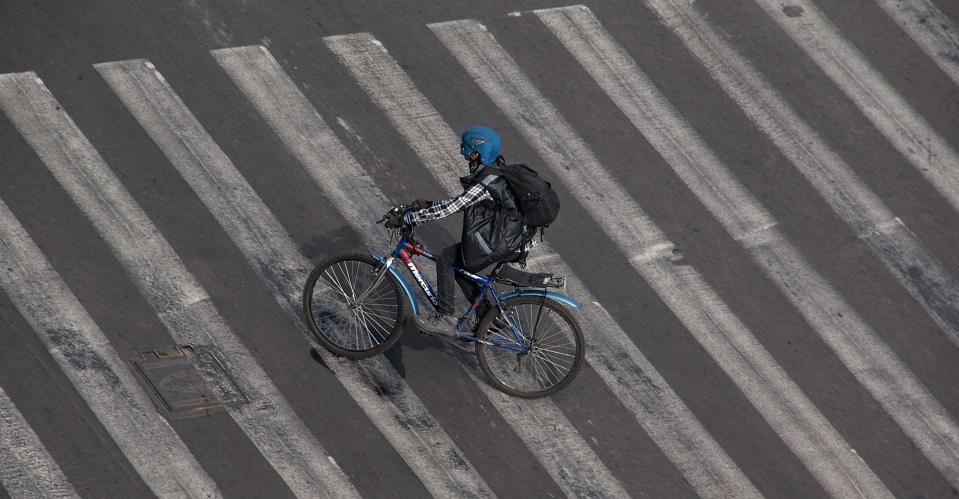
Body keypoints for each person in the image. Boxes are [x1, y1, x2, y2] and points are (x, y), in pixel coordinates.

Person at [386, 125, 531, 336]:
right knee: (461, 264)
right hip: (511, 237)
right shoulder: (494, 172)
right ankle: (488, 318)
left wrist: (409, 218)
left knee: (446, 259)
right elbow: (460, 203)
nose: (462, 153)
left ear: (476, 153)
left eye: (465, 149)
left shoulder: (484, 183)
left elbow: (455, 207)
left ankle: (444, 316)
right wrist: (428, 204)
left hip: (502, 240)